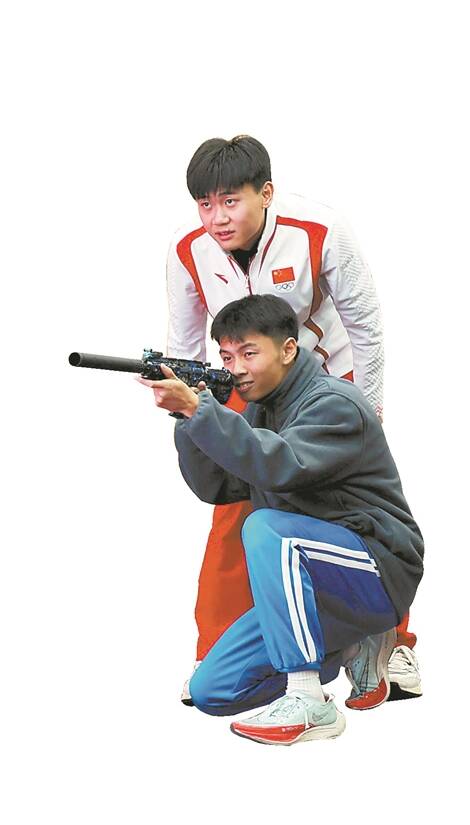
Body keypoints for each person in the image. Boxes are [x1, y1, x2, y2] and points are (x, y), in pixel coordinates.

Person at [166, 135, 421, 704]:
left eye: (230, 201)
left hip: (326, 380)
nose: (216, 217)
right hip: (249, 383)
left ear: (266, 193)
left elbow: (365, 324)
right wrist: (188, 409)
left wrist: (370, 411)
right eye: (205, 204)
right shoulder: (188, 250)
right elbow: (183, 347)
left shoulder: (320, 229)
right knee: (238, 514)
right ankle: (218, 649)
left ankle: (390, 641)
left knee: (352, 509)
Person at [139, 295, 424, 745]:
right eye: (227, 357)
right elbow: (217, 487)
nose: (237, 369)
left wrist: (202, 412)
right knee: (212, 690)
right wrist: (187, 417)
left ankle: (308, 698)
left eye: (249, 353)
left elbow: (281, 465)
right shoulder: (263, 408)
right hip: (313, 578)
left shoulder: (334, 402)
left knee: (264, 527)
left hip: (378, 567)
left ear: (289, 349)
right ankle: (348, 644)